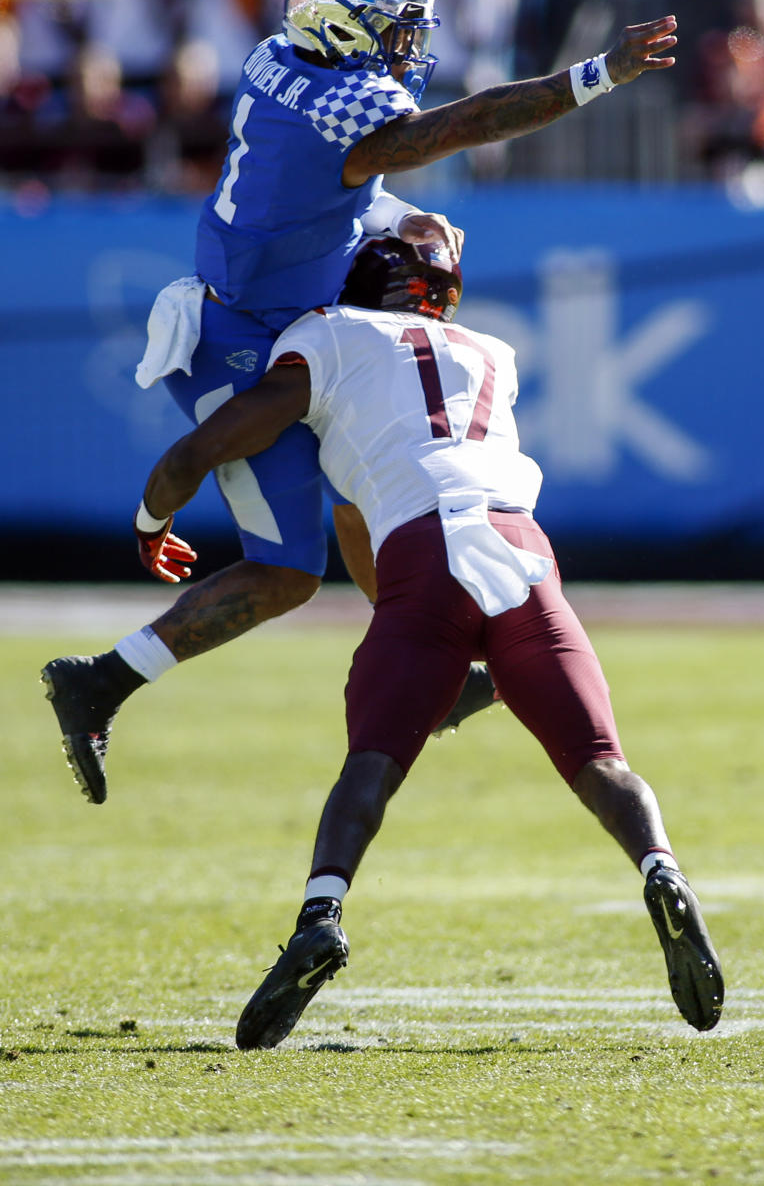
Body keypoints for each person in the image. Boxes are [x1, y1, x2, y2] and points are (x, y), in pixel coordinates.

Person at [41, 0, 678, 804]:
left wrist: (404, 215)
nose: (408, 44)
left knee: (366, 485)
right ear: (342, 27)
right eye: (392, 26)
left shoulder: (277, 57)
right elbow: (462, 125)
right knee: (288, 574)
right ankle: (100, 682)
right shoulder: (344, 100)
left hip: (285, 315)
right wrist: (594, 76)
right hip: (245, 345)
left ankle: (433, 662)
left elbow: (328, 182)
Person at [133, 236, 724, 1046]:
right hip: (524, 551)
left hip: (424, 550)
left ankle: (320, 916)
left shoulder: (329, 333)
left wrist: (151, 518)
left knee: (371, 762)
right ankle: (664, 872)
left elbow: (209, 445)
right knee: (600, 760)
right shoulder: (493, 353)